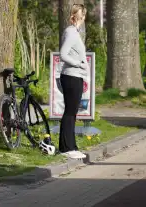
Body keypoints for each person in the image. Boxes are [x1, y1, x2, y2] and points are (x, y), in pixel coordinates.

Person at [59, 4, 88, 159]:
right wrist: (78, 64)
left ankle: (71, 146)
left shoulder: (73, 32)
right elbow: (63, 54)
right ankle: (67, 148)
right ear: (81, 17)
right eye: (84, 16)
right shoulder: (71, 33)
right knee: (70, 112)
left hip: (75, 76)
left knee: (72, 112)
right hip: (71, 76)